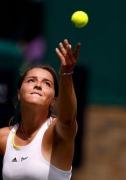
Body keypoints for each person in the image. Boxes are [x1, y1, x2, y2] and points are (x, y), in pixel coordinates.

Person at [0, 39, 81, 180]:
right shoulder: (4, 137)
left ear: (53, 101)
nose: (38, 85)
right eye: (31, 80)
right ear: (19, 93)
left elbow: (68, 120)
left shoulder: (57, 131)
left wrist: (66, 74)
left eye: (47, 83)